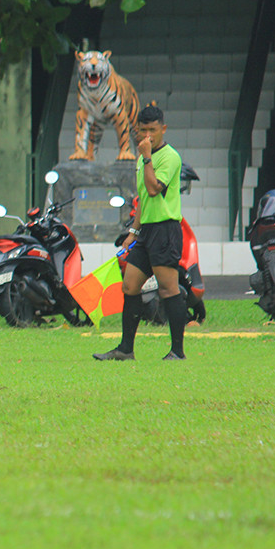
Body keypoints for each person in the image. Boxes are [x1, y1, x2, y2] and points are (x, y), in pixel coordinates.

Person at [94, 103, 187, 361]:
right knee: (130, 285)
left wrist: (147, 158)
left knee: (168, 289)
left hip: (165, 230)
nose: (147, 135)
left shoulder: (169, 157)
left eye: (152, 130)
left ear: (163, 129)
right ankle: (126, 350)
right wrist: (133, 232)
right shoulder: (141, 158)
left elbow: (154, 189)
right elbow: (143, 199)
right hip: (146, 231)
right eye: (143, 130)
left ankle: (177, 352)